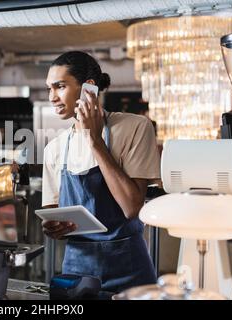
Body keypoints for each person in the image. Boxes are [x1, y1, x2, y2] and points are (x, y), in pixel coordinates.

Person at [42, 51, 160, 293]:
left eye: (60, 86)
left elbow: (132, 207)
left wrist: (95, 140)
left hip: (129, 268)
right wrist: (52, 227)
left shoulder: (135, 128)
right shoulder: (53, 149)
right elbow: (52, 211)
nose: (52, 97)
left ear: (89, 88)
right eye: (49, 89)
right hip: (76, 269)